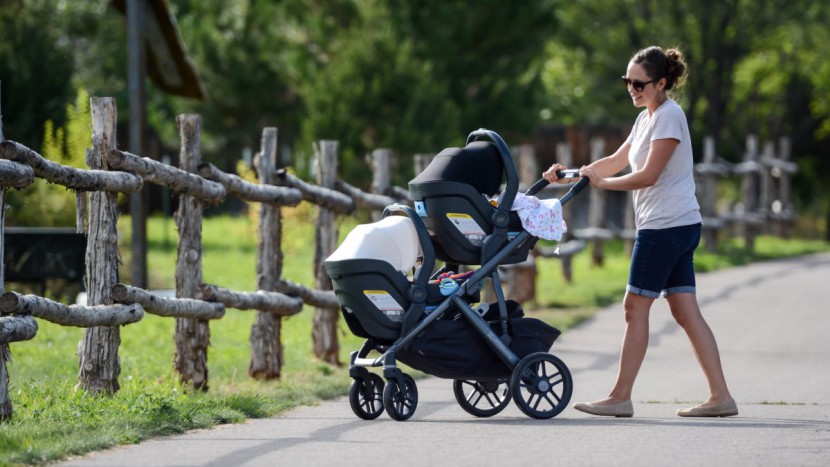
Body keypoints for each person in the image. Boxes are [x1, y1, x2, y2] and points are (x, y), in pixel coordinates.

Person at [543, 46, 737, 418]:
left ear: (661, 83)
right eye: (627, 82)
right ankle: (720, 397)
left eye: (639, 83)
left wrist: (603, 184)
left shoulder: (669, 117)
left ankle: (620, 396)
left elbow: (648, 175)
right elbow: (616, 161)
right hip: (676, 224)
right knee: (685, 311)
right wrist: (572, 173)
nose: (631, 89)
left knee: (634, 307)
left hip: (665, 226)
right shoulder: (646, 118)